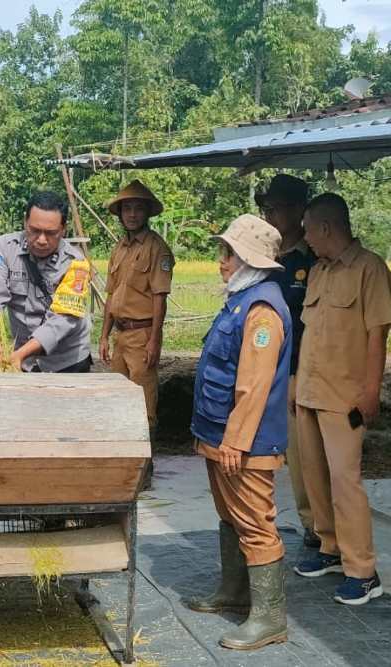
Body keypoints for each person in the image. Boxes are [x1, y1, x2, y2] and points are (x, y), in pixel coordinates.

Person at [185, 214, 291, 651]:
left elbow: (254, 385)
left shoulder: (262, 310)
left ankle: (269, 618)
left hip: (244, 444)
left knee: (256, 524)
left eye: (227, 253)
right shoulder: (240, 299)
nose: (221, 262)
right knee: (231, 516)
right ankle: (234, 592)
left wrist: (235, 440)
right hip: (219, 434)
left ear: (248, 259)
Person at [293, 193, 390, 606]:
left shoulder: (369, 269)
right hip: (310, 393)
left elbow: (377, 334)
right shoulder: (318, 270)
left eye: (309, 229)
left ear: (327, 228)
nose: (306, 238)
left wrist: (371, 391)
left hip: (345, 397)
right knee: (314, 477)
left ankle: (363, 571)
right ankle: (330, 548)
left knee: (345, 483)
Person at [255, 174, 319, 548]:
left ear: (297, 211)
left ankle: (315, 527)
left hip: (297, 370)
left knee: (304, 456)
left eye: (274, 208)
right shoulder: (265, 257)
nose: (269, 215)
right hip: (266, 369)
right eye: (266, 209)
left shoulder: (311, 260)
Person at [0, 191, 92, 373]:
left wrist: (21, 354)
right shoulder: (4, 248)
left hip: (66, 361)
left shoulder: (76, 263)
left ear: (63, 229)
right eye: (34, 230)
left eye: (50, 233)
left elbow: (63, 320)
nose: (41, 240)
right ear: (25, 223)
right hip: (22, 360)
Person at [99, 180, 173, 429]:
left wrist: (154, 340)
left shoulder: (157, 249)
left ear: (147, 213)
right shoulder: (119, 248)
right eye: (127, 208)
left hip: (142, 335)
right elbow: (111, 295)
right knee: (118, 401)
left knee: (143, 405)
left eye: (138, 208)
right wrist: (103, 336)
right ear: (120, 213)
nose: (132, 214)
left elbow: (159, 298)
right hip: (121, 335)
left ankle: (146, 464)